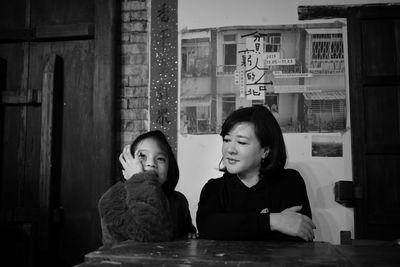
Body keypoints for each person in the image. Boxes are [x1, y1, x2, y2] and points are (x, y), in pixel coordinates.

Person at [196, 105, 315, 241]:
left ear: (265, 151)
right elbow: (208, 227)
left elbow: (299, 232)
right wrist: (273, 221)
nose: (230, 149)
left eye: (241, 142)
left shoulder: (289, 182)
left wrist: (231, 227)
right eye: (227, 140)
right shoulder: (214, 188)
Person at [98, 130, 196, 246]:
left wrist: (189, 233)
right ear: (127, 164)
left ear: (170, 169)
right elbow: (151, 237)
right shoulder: (112, 199)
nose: (151, 163)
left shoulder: (178, 201)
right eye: (142, 156)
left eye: (160, 158)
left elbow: (185, 231)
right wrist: (138, 178)